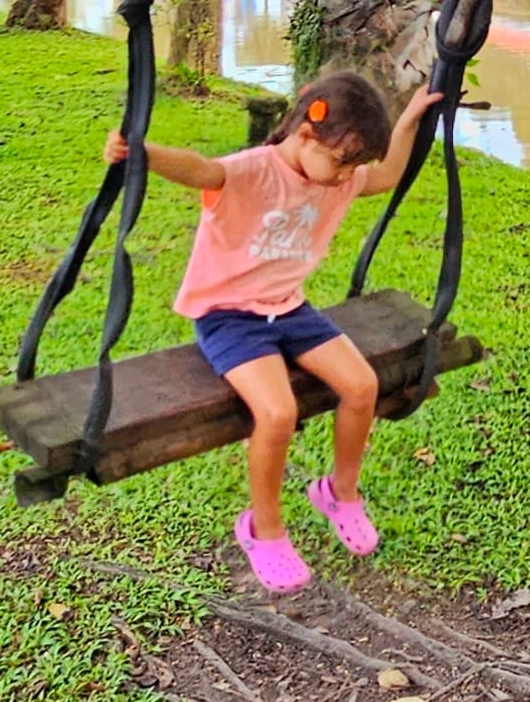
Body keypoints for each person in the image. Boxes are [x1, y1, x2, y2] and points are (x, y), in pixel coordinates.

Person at [104, 72, 440, 593]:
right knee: (277, 412)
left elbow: (390, 173)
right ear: (306, 134)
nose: (347, 176)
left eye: (354, 165)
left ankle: (339, 492)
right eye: (342, 161)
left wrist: (414, 117)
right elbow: (200, 169)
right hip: (229, 315)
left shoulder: (341, 176)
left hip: (289, 309)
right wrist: (140, 152)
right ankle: (264, 529)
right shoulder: (251, 172)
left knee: (362, 386)